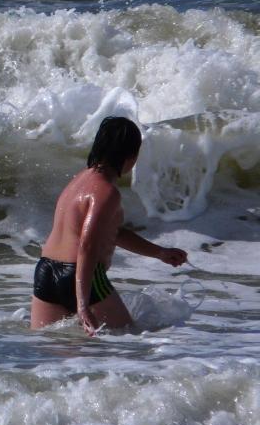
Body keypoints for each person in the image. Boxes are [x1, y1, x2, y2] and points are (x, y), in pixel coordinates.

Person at [30, 116, 187, 335]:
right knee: (127, 341)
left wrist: (160, 252)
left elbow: (114, 233)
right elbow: (87, 245)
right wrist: (83, 305)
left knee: (51, 349)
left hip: (45, 271)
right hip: (82, 274)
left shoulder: (78, 181)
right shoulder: (105, 191)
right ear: (130, 156)